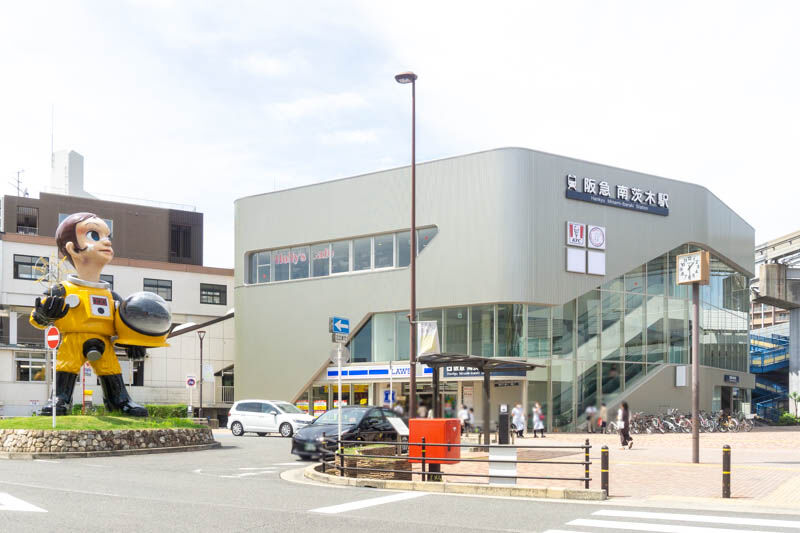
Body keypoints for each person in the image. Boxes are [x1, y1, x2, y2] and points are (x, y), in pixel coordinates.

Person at [30, 213, 170, 417]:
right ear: (72, 248)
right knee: (67, 365)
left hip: (104, 342)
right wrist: (44, 315)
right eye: (94, 235)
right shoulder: (62, 290)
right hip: (72, 340)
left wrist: (134, 341)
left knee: (110, 368)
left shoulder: (110, 296)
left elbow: (123, 322)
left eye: (107, 236)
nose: (106, 241)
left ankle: (119, 400)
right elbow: (37, 316)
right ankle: (60, 398)